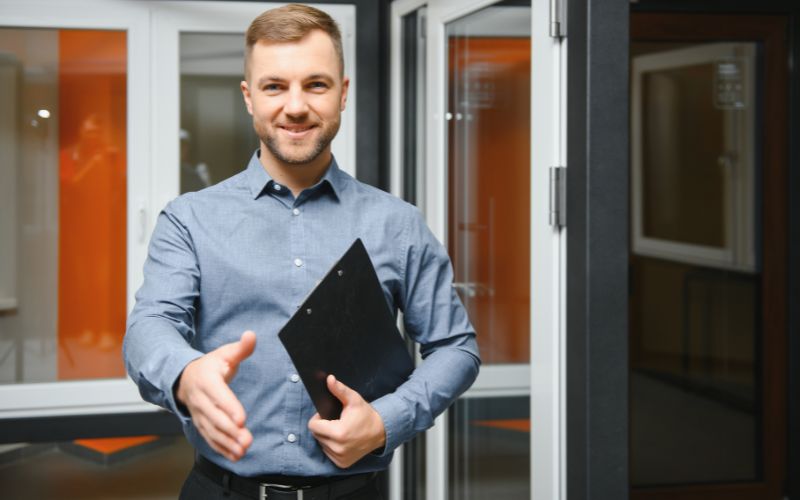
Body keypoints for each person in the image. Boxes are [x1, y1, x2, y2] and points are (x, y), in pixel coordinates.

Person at [123, 4, 479, 499]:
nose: (295, 106)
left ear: (343, 92)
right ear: (249, 98)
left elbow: (455, 348)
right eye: (274, 86)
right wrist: (184, 374)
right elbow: (149, 326)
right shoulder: (190, 219)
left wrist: (384, 421)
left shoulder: (397, 225)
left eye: (316, 84)